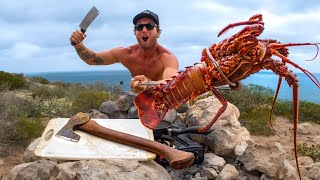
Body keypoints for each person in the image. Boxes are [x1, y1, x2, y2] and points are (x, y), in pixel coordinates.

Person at [70, 10, 179, 92]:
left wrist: (148, 84)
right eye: (139, 27)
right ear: (135, 32)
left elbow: (171, 83)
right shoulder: (126, 54)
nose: (144, 30)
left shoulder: (167, 58)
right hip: (141, 102)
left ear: (158, 32)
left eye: (149, 26)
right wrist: (78, 44)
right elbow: (92, 59)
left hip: (164, 102)